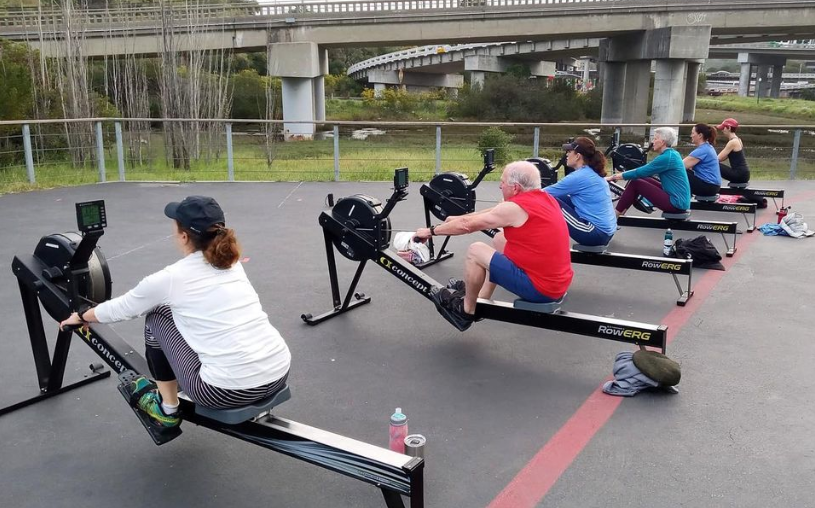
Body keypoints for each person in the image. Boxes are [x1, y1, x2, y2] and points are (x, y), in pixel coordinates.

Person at [60, 196, 292, 430]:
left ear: (183, 236)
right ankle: (187, 380)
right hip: (279, 372)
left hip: (224, 392)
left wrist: (80, 317)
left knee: (156, 315)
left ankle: (167, 410)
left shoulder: (170, 278)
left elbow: (123, 309)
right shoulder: (232, 263)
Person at [413, 161, 573, 331]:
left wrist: (430, 231)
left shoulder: (515, 208)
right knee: (499, 239)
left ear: (516, 188)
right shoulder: (545, 198)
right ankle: (481, 297)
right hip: (556, 283)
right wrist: (460, 218)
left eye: (502, 182)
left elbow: (467, 226)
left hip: (541, 289)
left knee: (476, 251)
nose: (499, 186)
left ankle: (465, 310)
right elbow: (491, 212)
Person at [544, 137, 617, 247]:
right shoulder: (591, 171)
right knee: (562, 197)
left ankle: (543, 241)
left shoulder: (579, 177)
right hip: (606, 232)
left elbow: (540, 194)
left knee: (548, 201)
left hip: (595, 234)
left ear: (578, 156)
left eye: (569, 152)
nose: (567, 155)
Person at [607, 127, 691, 216]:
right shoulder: (672, 154)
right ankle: (621, 212)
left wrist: (613, 177)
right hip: (680, 200)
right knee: (643, 179)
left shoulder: (666, 158)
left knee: (636, 182)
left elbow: (640, 172)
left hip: (676, 203)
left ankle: (615, 215)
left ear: (663, 142)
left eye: (655, 139)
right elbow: (644, 172)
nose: (652, 142)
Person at [682, 123, 722, 197]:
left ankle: (680, 198)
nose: (691, 136)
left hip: (709, 187)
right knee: (684, 172)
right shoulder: (707, 147)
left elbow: (680, 166)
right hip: (713, 186)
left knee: (677, 172)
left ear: (700, 135)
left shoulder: (702, 150)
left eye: (693, 133)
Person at [716, 117, 751, 184]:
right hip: (744, 173)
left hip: (739, 174)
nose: (722, 130)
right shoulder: (738, 140)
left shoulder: (732, 142)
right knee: (714, 164)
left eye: (723, 128)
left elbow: (717, 159)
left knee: (713, 164)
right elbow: (723, 158)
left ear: (729, 128)